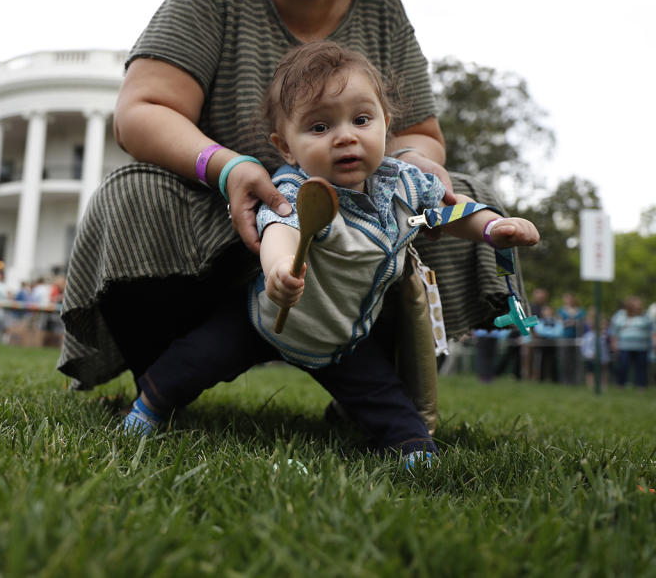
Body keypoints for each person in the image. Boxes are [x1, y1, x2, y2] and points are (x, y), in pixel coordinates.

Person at [58, 0, 527, 403]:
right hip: (221, 225)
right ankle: (160, 381)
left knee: (461, 193)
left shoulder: (384, 12)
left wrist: (414, 163)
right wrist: (228, 168)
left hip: (358, 236)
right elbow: (141, 111)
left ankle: (386, 391)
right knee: (131, 194)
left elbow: (418, 134)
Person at [120, 42, 540, 458]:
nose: (345, 137)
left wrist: (492, 227)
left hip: (342, 339)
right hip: (265, 320)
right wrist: (280, 268)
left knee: (390, 405)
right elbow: (280, 231)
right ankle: (149, 405)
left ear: (385, 124)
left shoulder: (404, 182)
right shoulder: (296, 189)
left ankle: (413, 449)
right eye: (319, 128)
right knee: (193, 362)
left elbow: (447, 212)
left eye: (361, 119)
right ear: (286, 147)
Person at [610, 296, 655, 388]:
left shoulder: (645, 316)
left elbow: (652, 329)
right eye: (636, 304)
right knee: (623, 365)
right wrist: (614, 343)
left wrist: (654, 341)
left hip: (642, 346)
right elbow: (614, 330)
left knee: (641, 367)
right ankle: (620, 385)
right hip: (624, 346)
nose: (639, 306)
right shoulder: (621, 315)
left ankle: (641, 386)